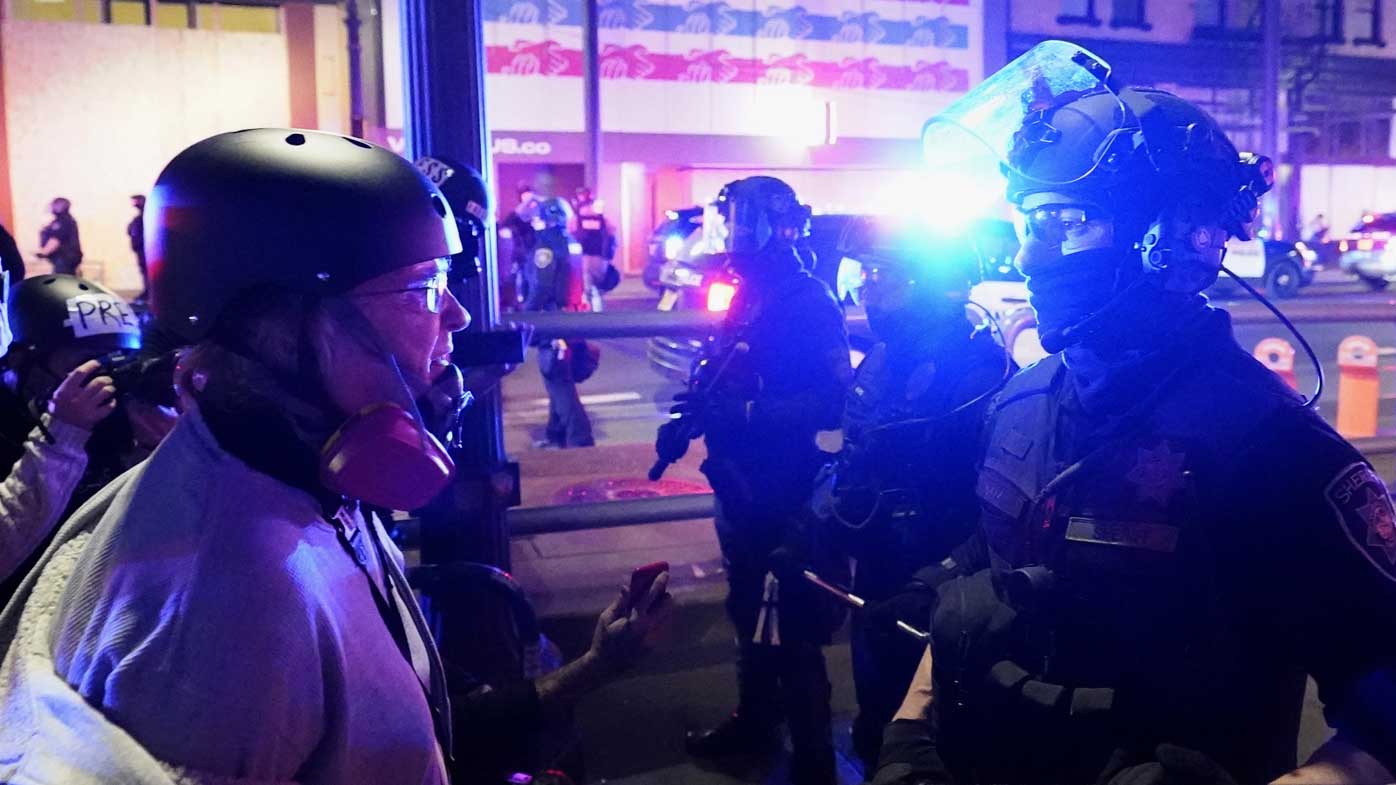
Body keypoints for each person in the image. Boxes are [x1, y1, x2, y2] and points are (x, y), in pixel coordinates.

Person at [874, 41, 1396, 784]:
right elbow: (987, 581)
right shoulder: (1019, 405)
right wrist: (908, 730)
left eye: (1066, 222)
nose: (1031, 256)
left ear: (1171, 242)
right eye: (1028, 223)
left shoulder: (1272, 450)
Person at [0, 128, 492, 784]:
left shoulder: (294, 469)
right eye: (421, 290)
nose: (456, 315)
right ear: (278, 325)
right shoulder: (229, 625)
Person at [813, 216, 1007, 768]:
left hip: (940, 592)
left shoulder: (978, 376)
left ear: (929, 286)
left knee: (930, 738)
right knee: (875, 723)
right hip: (877, 574)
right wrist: (820, 520)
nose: (869, 291)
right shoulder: (884, 357)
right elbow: (857, 452)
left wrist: (940, 581)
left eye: (884, 277)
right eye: (865, 275)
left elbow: (999, 513)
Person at [677, 176, 852, 785]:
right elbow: (723, 364)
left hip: (782, 486)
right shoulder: (744, 287)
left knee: (793, 623)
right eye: (730, 216)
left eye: (745, 217)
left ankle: (812, 761)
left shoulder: (805, 298)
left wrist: (749, 414)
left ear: (777, 223)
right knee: (746, 607)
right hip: (737, 479)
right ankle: (755, 723)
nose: (733, 228)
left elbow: (832, 401)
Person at [0, 274, 174, 604]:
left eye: (117, 361)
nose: (106, 378)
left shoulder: (123, 427)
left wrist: (167, 455)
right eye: (86, 363)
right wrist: (62, 436)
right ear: (24, 363)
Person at [523, 196, 594, 449]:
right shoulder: (571, 243)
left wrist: (526, 314)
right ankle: (556, 433)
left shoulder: (546, 247)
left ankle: (579, 440)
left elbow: (541, 286)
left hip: (553, 321)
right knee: (559, 376)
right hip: (571, 318)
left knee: (557, 379)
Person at [573, 187, 619, 312]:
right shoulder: (600, 218)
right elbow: (612, 233)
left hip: (587, 255)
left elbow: (572, 231)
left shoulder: (580, 217)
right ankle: (597, 310)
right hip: (599, 255)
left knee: (588, 286)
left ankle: (592, 312)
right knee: (596, 286)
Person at [498, 182, 538, 311]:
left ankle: (530, 300)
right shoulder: (516, 215)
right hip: (520, 250)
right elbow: (506, 226)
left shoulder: (537, 214)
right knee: (520, 275)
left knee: (532, 276)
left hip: (534, 250)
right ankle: (519, 301)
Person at [35, 198, 81, 276]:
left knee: (62, 282)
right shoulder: (67, 220)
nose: (51, 207)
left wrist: (44, 252)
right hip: (65, 260)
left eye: (53, 204)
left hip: (64, 259)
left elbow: (56, 239)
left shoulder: (62, 221)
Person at [129, 195, 148, 301]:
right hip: (140, 249)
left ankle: (148, 292)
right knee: (144, 271)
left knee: (146, 271)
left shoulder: (145, 217)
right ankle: (147, 291)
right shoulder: (139, 218)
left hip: (145, 249)